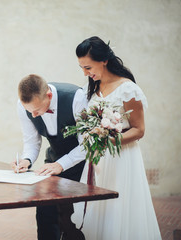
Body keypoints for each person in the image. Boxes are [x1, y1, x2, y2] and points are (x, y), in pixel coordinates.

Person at [72, 36, 161, 239]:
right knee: (98, 210)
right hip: (98, 159)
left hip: (121, 158)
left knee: (118, 210)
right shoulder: (94, 88)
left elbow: (139, 130)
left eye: (88, 67)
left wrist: (108, 141)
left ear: (104, 60)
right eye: (82, 68)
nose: (86, 73)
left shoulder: (128, 89)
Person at [11, 74, 87, 240]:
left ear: (49, 96)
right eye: (31, 112)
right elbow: (31, 141)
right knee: (45, 208)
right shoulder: (24, 105)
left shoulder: (76, 98)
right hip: (53, 160)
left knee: (73, 215)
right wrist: (26, 160)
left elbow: (87, 144)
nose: (35, 115)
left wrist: (61, 165)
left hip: (83, 163)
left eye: (37, 110)